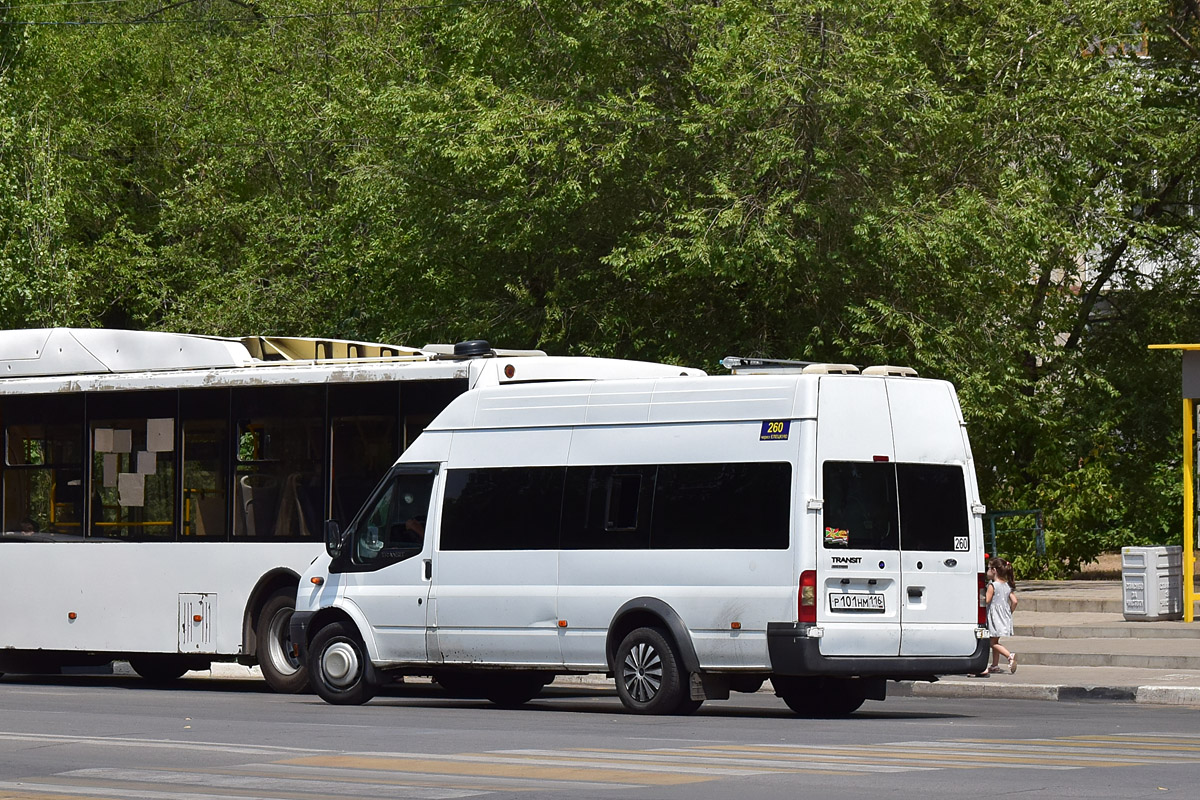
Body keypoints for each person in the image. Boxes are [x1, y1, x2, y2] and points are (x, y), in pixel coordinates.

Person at [981, 557, 1018, 676]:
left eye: (988, 569)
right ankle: (995, 665)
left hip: (994, 616)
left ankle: (1009, 656)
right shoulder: (1007, 586)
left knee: (992, 643)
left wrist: (979, 595)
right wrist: (1009, 613)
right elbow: (1014, 601)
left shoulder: (993, 585)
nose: (987, 572)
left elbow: (986, 600)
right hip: (1003, 616)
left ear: (994, 570)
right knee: (995, 640)